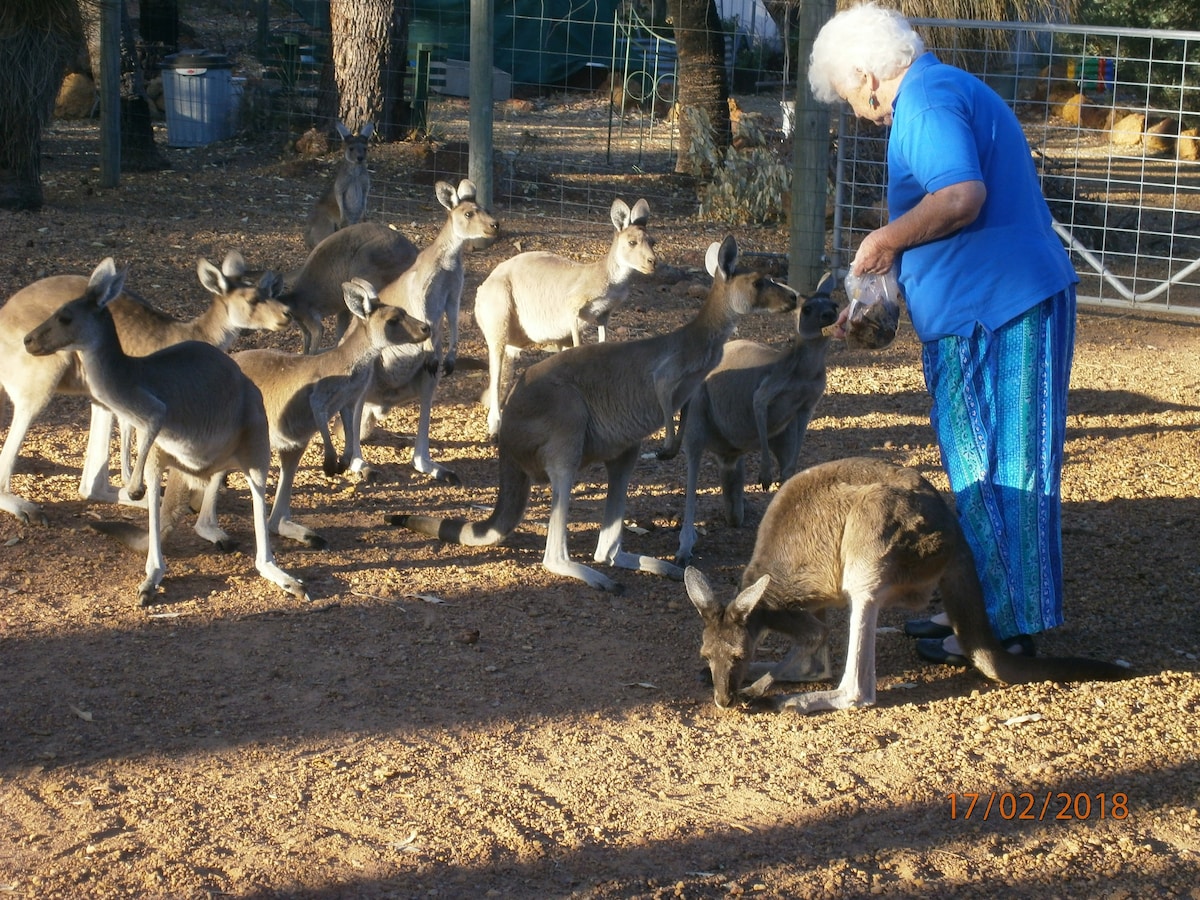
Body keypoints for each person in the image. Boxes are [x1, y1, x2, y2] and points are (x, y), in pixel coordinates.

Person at [808, 3, 1080, 666]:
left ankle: (1003, 629)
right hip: (989, 307)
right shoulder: (945, 90)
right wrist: (880, 290)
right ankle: (982, 614)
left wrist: (883, 239)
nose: (856, 112)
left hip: (998, 312)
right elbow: (946, 219)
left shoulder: (925, 102)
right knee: (986, 470)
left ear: (868, 75)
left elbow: (961, 198)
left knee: (999, 470)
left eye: (850, 96)